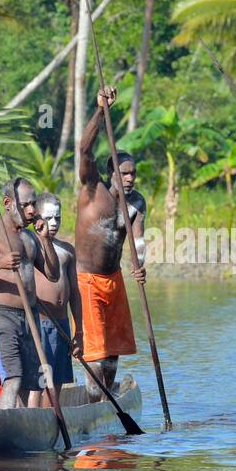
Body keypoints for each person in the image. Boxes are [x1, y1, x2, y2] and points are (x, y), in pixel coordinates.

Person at [75, 87, 146, 401]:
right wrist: (101, 111)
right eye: (125, 173)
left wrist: (140, 266)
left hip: (114, 280)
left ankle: (107, 400)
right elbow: (84, 150)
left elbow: (138, 239)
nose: (130, 179)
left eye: (133, 174)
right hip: (87, 280)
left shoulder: (136, 203)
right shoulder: (94, 190)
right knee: (97, 351)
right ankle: (94, 400)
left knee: (115, 350)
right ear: (111, 172)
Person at [0, 177, 61, 409]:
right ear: (8, 203)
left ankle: (21, 426)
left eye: (33, 204)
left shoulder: (30, 237)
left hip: (30, 316)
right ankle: (2, 427)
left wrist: (45, 240)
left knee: (32, 382)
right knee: (13, 378)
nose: (31, 210)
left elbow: (53, 274)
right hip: (4, 315)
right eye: (26, 205)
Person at [32, 193, 83, 407]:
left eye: (58, 218)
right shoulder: (30, 246)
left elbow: (75, 294)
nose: (54, 223)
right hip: (39, 325)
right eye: (48, 218)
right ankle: (33, 418)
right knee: (40, 381)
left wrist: (79, 331)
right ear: (37, 220)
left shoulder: (67, 251)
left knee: (58, 380)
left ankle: (53, 416)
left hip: (62, 325)